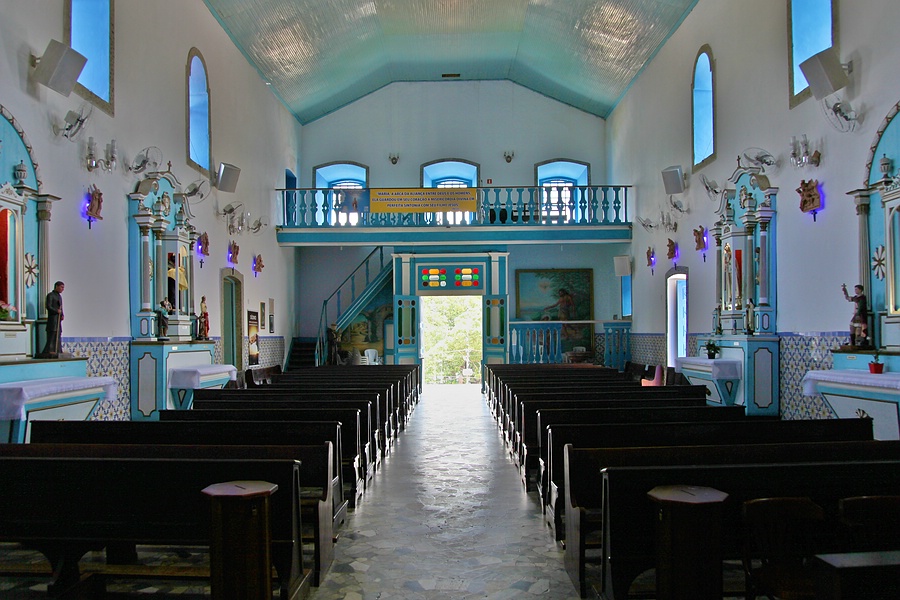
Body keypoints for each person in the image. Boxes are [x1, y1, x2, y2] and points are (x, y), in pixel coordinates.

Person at [39, 281, 64, 358]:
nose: (62, 289)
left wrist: (62, 314)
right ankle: (50, 350)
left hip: (58, 320)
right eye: (61, 287)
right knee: (52, 334)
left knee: (58, 334)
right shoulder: (50, 295)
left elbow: (61, 307)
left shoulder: (59, 296)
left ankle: (58, 350)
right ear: (56, 286)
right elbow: (48, 306)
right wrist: (56, 311)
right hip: (52, 319)